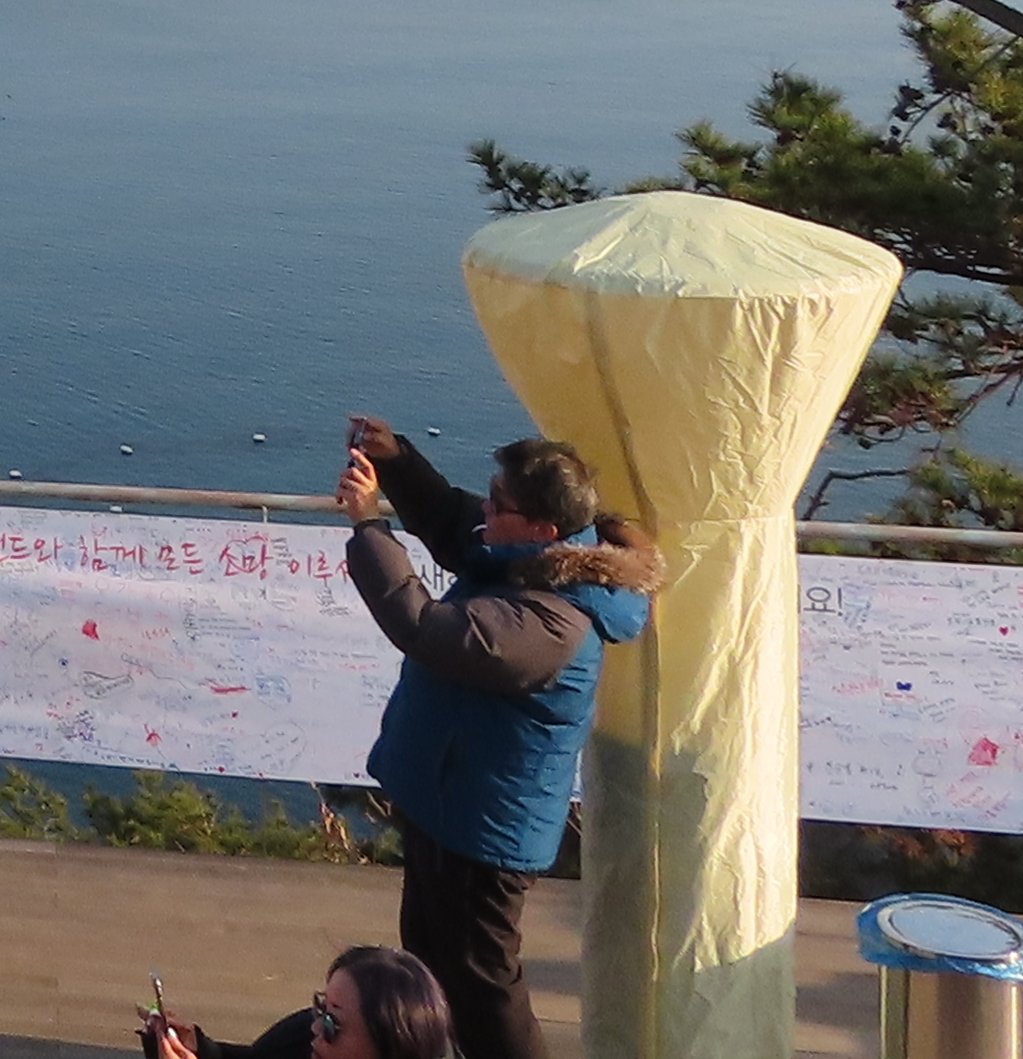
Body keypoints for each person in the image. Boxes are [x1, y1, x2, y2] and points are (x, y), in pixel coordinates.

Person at [335, 416, 653, 1059]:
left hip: (484, 831)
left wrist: (369, 526)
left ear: (542, 528)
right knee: (431, 972)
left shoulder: (554, 622)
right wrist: (397, 461)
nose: (485, 507)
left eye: (498, 503)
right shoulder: (531, 562)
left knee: (484, 991)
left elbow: (423, 626)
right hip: (451, 806)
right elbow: (455, 523)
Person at [139, 944, 456, 1059]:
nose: (316, 1027)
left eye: (333, 1024)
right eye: (321, 1007)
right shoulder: (301, 1039)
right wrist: (199, 1048)